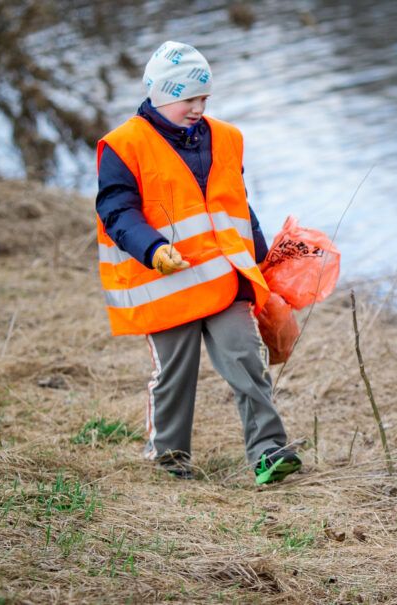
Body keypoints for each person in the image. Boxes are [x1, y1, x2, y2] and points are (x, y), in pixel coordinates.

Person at [95, 41, 300, 485]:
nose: (199, 108)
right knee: (174, 374)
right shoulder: (123, 146)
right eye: (190, 98)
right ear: (162, 95)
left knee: (246, 357)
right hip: (165, 283)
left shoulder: (225, 137)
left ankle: (269, 451)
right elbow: (117, 212)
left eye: (205, 98)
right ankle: (170, 461)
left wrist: (266, 265)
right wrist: (152, 249)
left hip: (225, 279)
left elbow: (239, 208)